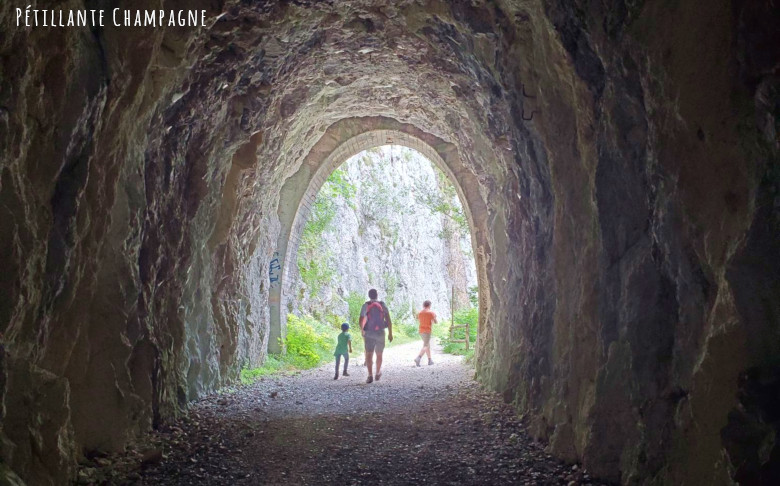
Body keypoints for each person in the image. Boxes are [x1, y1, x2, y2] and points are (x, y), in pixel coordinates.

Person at [359, 288, 393, 383]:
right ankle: (378, 373)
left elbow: (361, 320)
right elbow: (389, 320)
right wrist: (390, 333)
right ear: (377, 295)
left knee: (369, 354)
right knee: (379, 354)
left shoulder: (365, 305)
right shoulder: (382, 305)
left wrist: (362, 330)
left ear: (369, 296)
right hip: (380, 332)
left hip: (369, 332)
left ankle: (370, 375)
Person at [415, 300, 437, 366]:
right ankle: (418, 358)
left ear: (423, 305)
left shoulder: (420, 313)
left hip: (421, 330)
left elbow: (418, 319)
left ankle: (430, 360)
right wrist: (434, 318)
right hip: (427, 331)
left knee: (427, 345)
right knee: (426, 345)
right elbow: (435, 322)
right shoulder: (431, 313)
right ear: (429, 305)